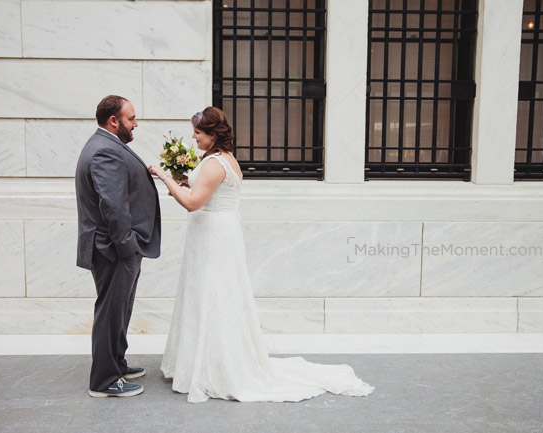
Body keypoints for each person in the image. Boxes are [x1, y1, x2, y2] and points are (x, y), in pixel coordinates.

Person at [149, 107, 374, 403]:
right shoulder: (222, 160)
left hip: (214, 236)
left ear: (213, 135)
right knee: (210, 295)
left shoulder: (215, 163)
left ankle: (215, 367)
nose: (194, 137)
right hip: (215, 233)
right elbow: (199, 192)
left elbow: (193, 203)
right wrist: (181, 182)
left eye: (198, 133)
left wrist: (165, 177)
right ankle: (202, 360)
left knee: (213, 296)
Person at [75, 95, 161, 397]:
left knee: (119, 309)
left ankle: (117, 364)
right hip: (113, 249)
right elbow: (113, 207)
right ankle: (103, 381)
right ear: (114, 120)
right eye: (131, 118)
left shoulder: (106, 146)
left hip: (118, 247)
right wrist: (128, 248)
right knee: (111, 311)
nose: (135, 123)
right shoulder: (104, 152)